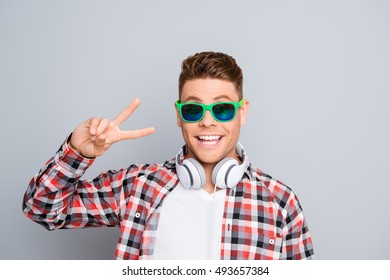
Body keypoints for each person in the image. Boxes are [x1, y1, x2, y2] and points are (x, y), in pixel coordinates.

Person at [23, 51, 314, 260]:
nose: (208, 122)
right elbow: (42, 208)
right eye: (193, 109)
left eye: (222, 108)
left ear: (243, 112)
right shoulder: (139, 186)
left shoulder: (280, 202)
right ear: (179, 115)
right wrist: (77, 152)